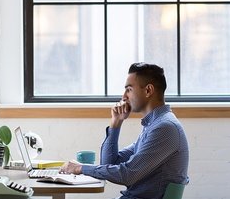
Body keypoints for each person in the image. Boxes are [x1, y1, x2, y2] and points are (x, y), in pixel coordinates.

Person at [60, 62, 189, 199]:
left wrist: (80, 168)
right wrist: (116, 123)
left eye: (129, 89)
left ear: (148, 91)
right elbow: (109, 164)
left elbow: (127, 175)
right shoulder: (153, 126)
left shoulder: (164, 128)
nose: (123, 97)